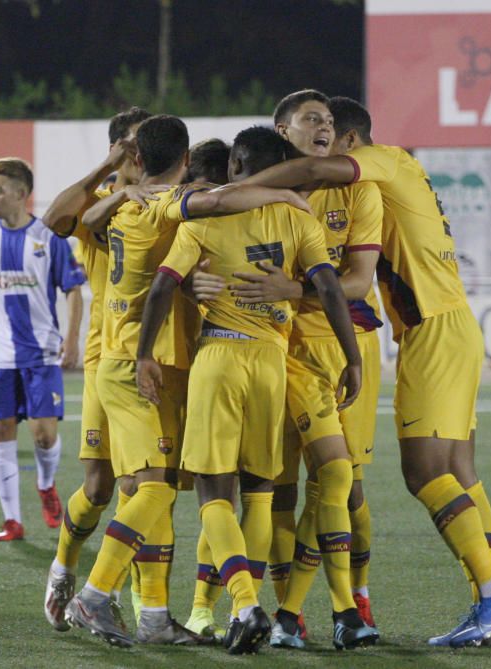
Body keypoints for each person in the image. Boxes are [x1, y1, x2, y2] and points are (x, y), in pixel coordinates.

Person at [237, 98, 491, 648]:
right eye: (310, 123)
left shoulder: (384, 163)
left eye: (330, 129)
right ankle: (486, 600)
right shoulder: (372, 186)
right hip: (445, 325)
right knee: (460, 472)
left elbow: (323, 183)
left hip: (431, 330)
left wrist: (237, 189)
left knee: (423, 473)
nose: (322, 137)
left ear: (350, 144)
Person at [62, 116, 311, 649]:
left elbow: (93, 222)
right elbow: (214, 204)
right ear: (182, 163)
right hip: (134, 361)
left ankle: (155, 615)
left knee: (164, 490)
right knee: (147, 489)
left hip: (152, 362)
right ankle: (94, 594)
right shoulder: (168, 205)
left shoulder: (127, 203)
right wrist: (286, 193)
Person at [134, 125, 363, 654]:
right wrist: (351, 357)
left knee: (215, 493)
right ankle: (252, 606)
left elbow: (164, 284)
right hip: (272, 364)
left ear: (235, 166)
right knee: (259, 492)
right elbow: (328, 285)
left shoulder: (208, 216)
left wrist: (146, 353)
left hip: (220, 356)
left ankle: (242, 603)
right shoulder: (297, 216)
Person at [40, 106, 150, 633]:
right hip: (103, 355)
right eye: (128, 143)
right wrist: (107, 174)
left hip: (147, 355)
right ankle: (64, 566)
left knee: (142, 485)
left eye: (142, 143)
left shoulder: (163, 195)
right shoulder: (97, 203)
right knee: (100, 486)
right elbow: (53, 221)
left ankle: (128, 602)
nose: (137, 152)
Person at [0, 157, 85, 542]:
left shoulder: (49, 237)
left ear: (22, 195)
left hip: (41, 354)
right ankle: (12, 520)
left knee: (44, 436)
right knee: (2, 431)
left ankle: (45, 485)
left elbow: (74, 291)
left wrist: (72, 340)